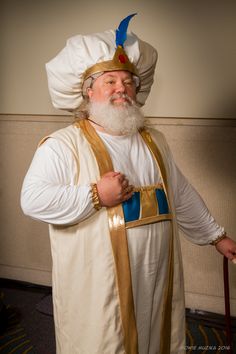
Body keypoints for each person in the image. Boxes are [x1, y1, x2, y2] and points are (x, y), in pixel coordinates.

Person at [21, 14, 236, 354]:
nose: (122, 87)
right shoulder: (64, 144)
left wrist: (216, 236)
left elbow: (179, 193)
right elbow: (32, 199)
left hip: (156, 277)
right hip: (99, 286)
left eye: (128, 81)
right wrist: (95, 195)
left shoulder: (154, 141)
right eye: (109, 81)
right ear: (88, 91)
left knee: (156, 337)